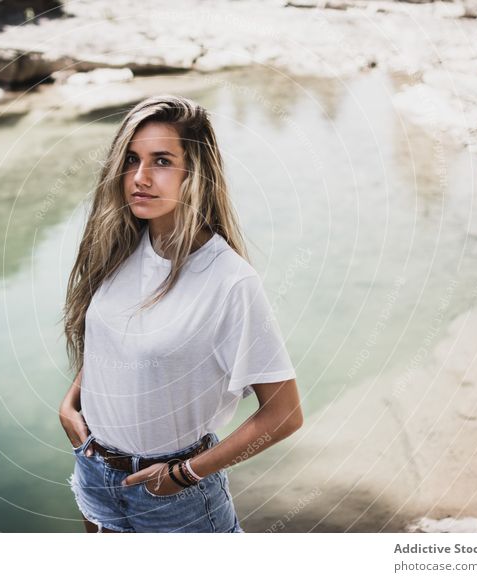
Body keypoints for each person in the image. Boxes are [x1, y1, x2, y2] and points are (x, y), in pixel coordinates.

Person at [59, 94, 303, 533]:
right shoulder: (118, 249)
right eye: (131, 159)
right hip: (94, 474)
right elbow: (113, 337)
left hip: (173, 497)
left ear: (197, 173)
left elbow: (284, 414)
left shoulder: (229, 280)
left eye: (162, 161)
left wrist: (184, 474)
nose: (140, 177)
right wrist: (71, 403)